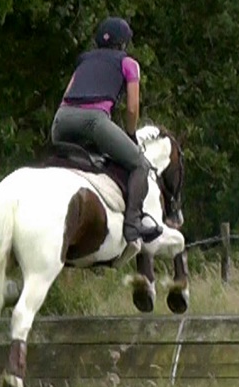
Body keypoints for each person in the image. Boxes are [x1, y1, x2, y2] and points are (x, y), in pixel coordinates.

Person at [51, 16, 162, 243]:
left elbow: (67, 94)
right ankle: (133, 224)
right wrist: (131, 134)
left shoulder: (84, 60)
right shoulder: (128, 63)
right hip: (93, 121)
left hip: (61, 121)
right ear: (123, 43)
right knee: (140, 164)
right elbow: (132, 108)